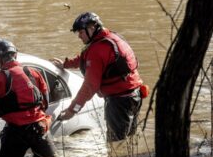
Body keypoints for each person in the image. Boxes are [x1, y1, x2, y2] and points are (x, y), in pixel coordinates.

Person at [52, 12, 145, 142]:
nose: (79, 36)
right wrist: (66, 64)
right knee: (129, 140)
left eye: (81, 32)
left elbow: (89, 87)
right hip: (135, 95)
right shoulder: (112, 38)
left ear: (92, 28)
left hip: (118, 102)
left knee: (115, 144)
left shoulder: (97, 49)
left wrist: (72, 111)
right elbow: (87, 57)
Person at [0, 38, 56, 157]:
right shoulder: (33, 72)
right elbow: (45, 100)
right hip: (39, 128)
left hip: (16, 132)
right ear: (15, 55)